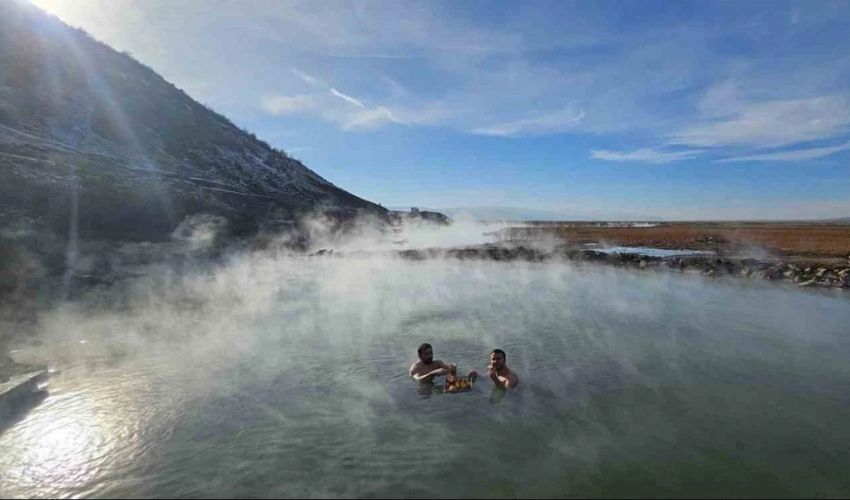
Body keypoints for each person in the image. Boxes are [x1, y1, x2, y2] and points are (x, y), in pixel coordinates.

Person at [409, 343, 477, 383]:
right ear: (420, 356)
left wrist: (453, 369)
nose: (430, 356)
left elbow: (452, 374)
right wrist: (433, 373)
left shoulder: (437, 363)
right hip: (423, 390)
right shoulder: (415, 368)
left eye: (431, 353)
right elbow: (417, 380)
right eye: (426, 354)